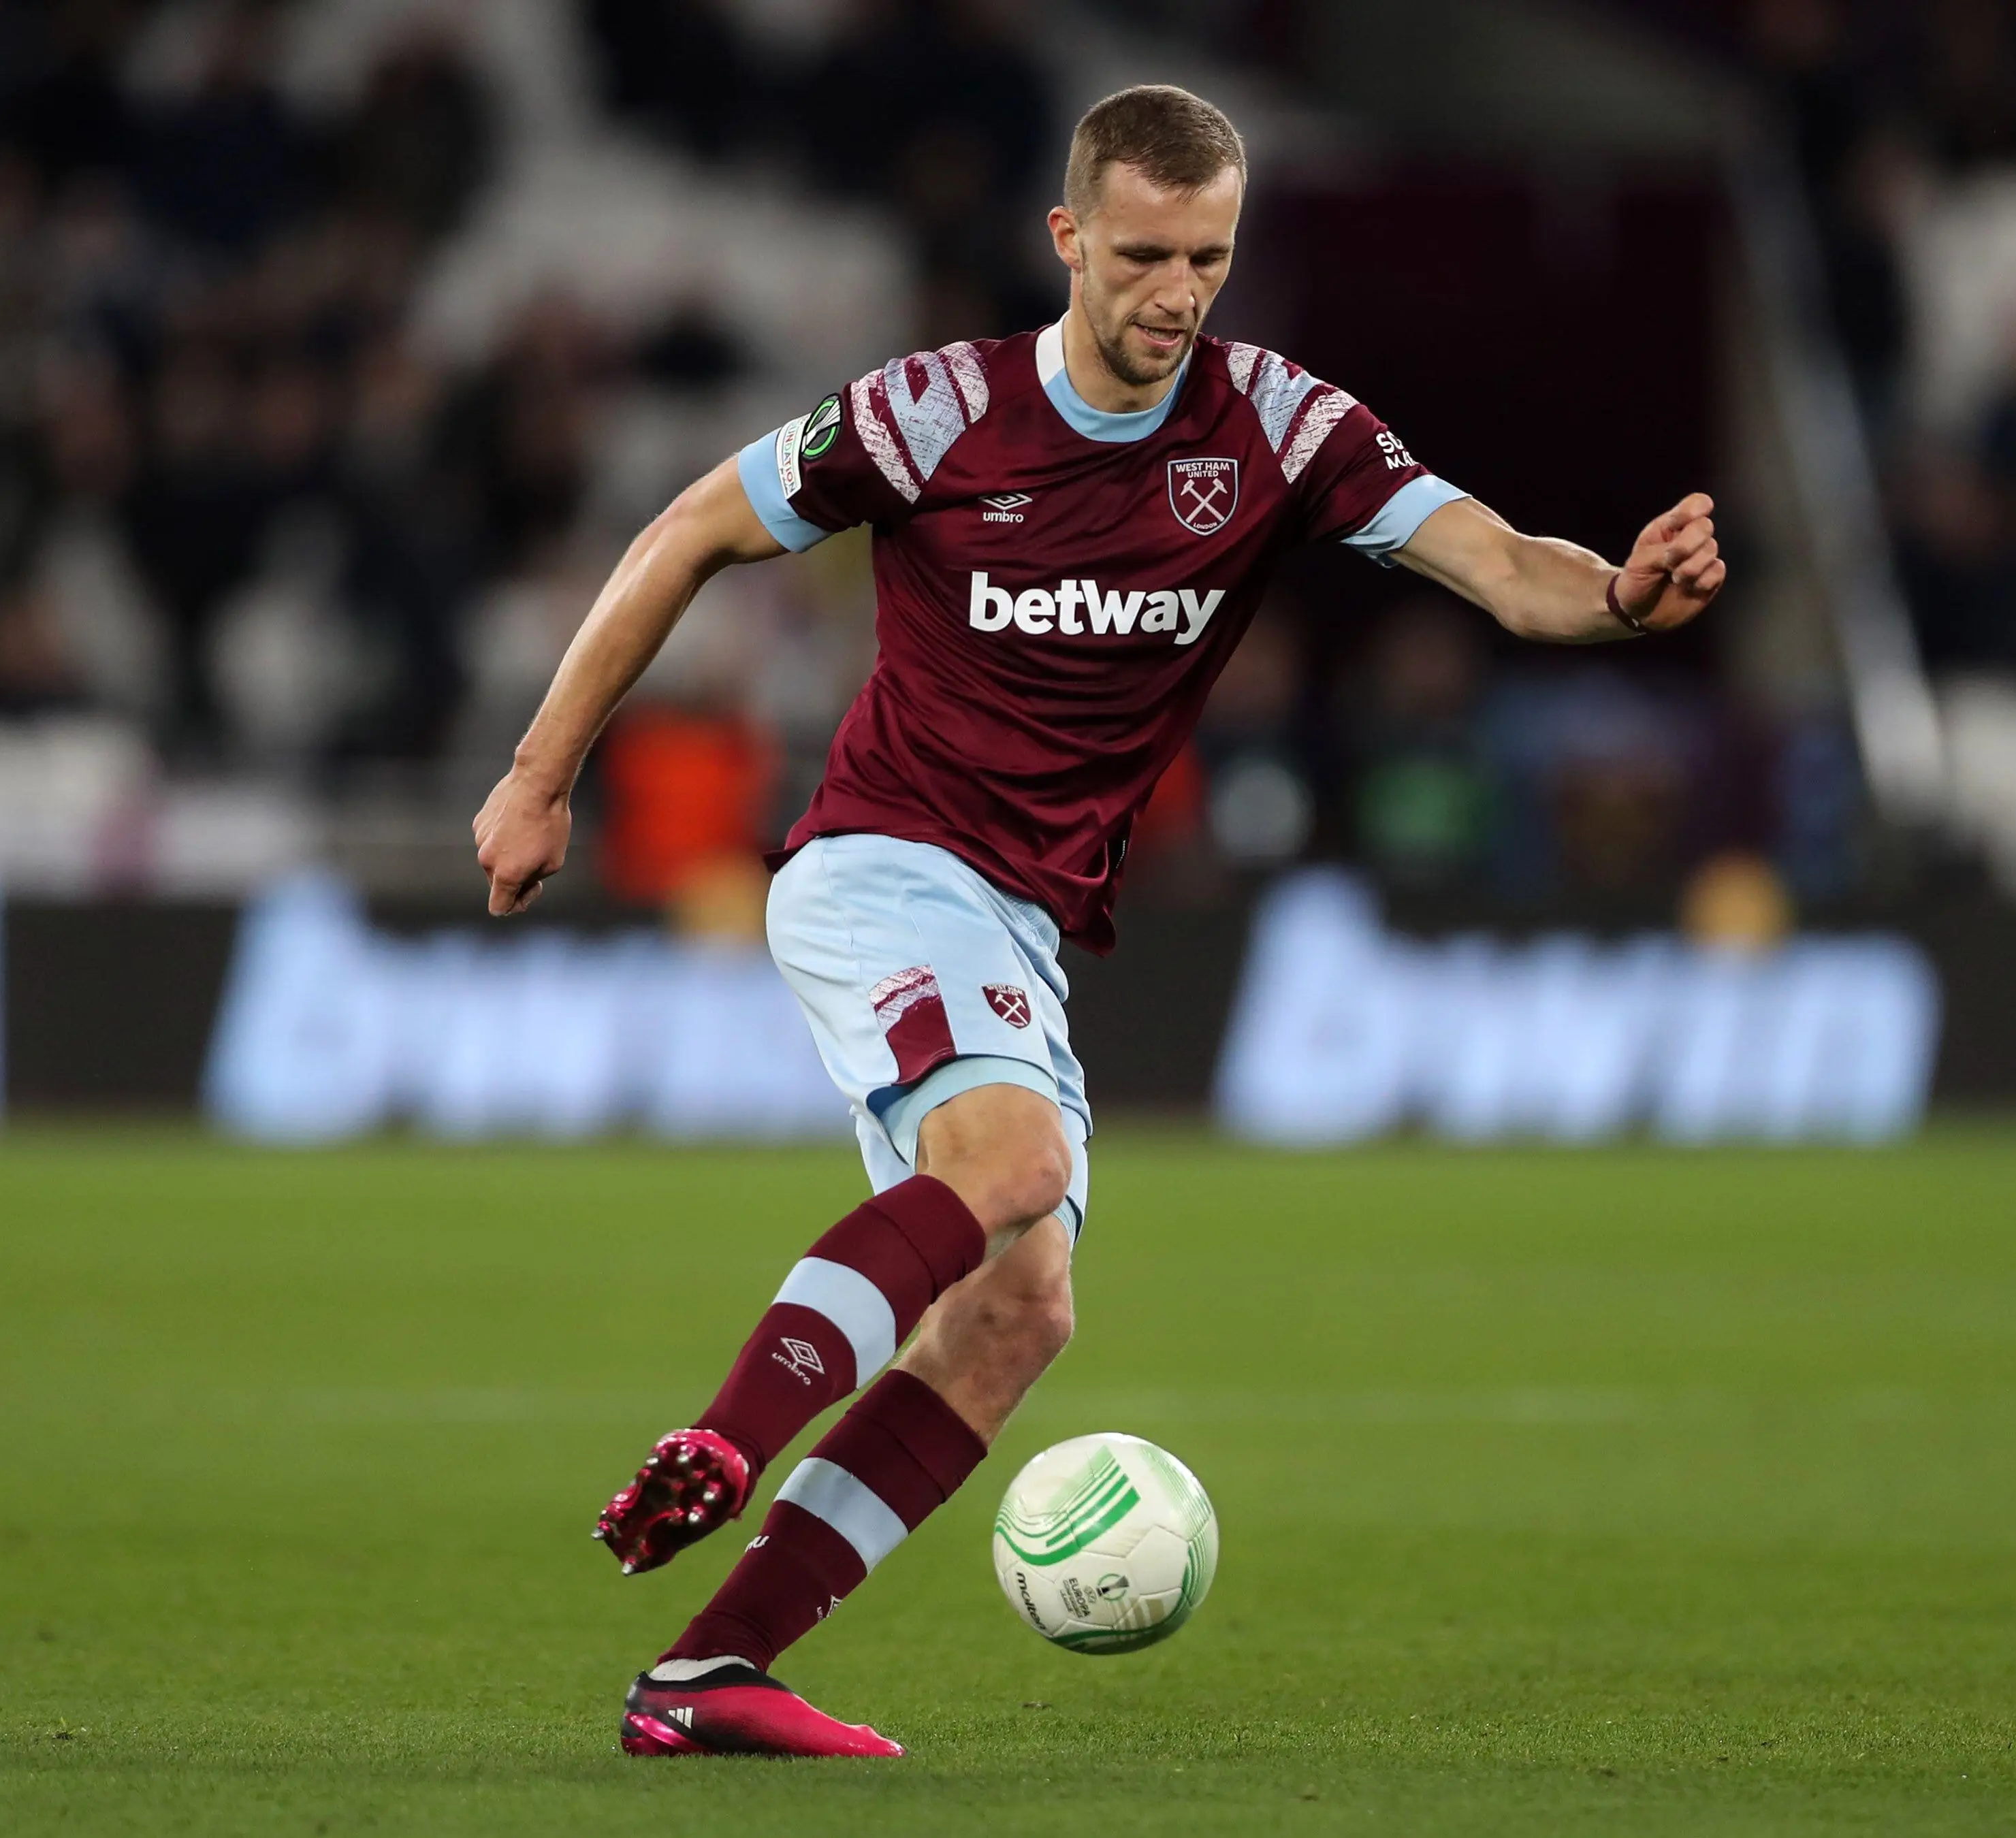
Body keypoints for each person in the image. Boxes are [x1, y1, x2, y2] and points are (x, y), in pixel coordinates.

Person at [471, 84, 1727, 1758]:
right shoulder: (932, 418)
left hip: (1026, 923)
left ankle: (707, 1678)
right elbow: (692, 529)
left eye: (1208, 257)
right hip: (882, 869)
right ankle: (721, 1437)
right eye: (1143, 254)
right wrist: (542, 775)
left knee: (1021, 1307)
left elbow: (1499, 566)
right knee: (1016, 1170)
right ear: (1069, 238)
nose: (1176, 293)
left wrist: (1619, 596)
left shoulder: (1277, 427)